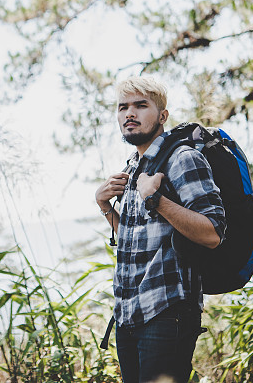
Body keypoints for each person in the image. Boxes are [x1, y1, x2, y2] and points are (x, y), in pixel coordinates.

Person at [95, 76, 226, 383]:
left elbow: (213, 233)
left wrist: (156, 199)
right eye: (123, 107)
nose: (130, 113)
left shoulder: (183, 159)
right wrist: (105, 207)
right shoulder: (132, 168)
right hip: (128, 314)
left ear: (162, 116)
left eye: (141, 105)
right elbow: (135, 235)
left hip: (167, 313)